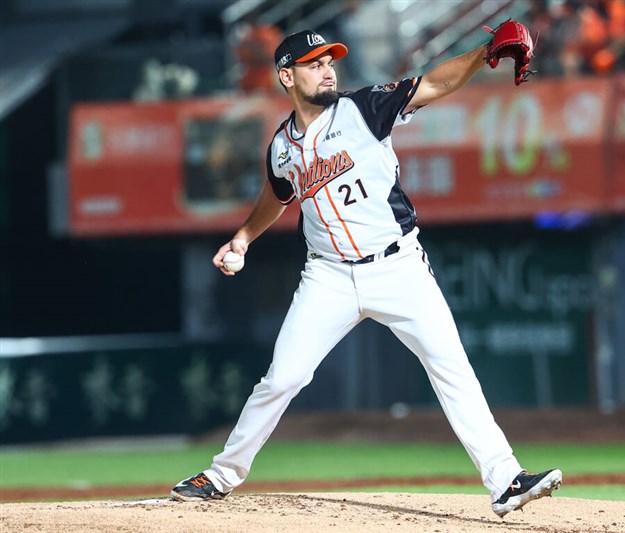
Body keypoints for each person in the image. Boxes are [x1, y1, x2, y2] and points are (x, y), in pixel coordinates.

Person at [170, 27, 562, 518]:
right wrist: (244, 236)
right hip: (327, 278)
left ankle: (505, 479)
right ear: (286, 76)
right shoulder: (281, 146)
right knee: (283, 378)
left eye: (330, 60)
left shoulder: (362, 109)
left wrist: (485, 51)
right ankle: (222, 475)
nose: (328, 68)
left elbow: (433, 84)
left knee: (452, 369)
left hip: (398, 267)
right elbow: (278, 192)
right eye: (314, 63)